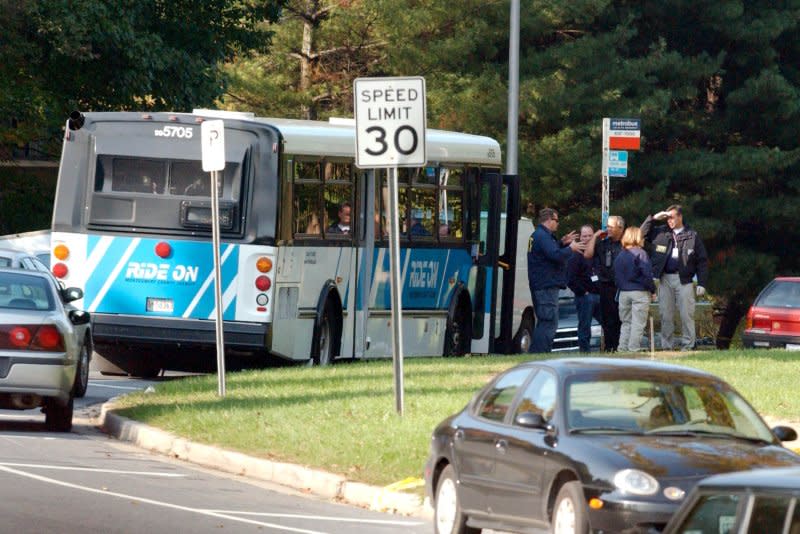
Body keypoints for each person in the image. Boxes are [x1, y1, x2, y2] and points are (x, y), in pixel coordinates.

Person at [641, 204, 709, 351]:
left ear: (680, 216)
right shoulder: (660, 232)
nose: (669, 220)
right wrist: (653, 219)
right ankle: (667, 347)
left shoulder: (692, 235)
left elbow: (702, 261)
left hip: (684, 280)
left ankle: (688, 345)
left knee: (686, 315)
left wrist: (702, 283)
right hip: (665, 279)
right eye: (667, 218)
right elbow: (639, 235)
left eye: (672, 217)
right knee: (665, 315)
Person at [527, 208, 585, 353]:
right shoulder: (543, 236)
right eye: (556, 220)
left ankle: (539, 353)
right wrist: (571, 248)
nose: (558, 224)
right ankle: (539, 354)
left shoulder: (539, 235)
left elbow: (549, 252)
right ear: (549, 220)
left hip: (541, 285)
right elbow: (555, 255)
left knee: (545, 321)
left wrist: (561, 243)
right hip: (546, 286)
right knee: (548, 322)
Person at [583, 215, 625, 351]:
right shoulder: (603, 243)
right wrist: (595, 236)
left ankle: (621, 348)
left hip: (622, 287)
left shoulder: (626, 243)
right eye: (607, 226)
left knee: (622, 319)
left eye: (611, 227)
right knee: (608, 320)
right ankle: (609, 348)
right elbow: (587, 254)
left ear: (620, 228)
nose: (608, 229)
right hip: (606, 288)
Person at [614, 226, 656, 352]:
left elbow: (615, 275)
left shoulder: (620, 255)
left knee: (626, 323)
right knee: (638, 323)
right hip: (639, 292)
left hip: (623, 293)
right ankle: (633, 349)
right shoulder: (641, 253)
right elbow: (647, 275)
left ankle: (622, 349)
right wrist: (652, 290)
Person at [567, 224, 601, 352]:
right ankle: (585, 353)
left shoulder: (597, 252)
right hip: (585, 297)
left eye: (590, 236)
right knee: (585, 327)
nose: (587, 238)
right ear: (580, 237)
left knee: (609, 323)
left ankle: (609, 350)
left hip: (598, 295)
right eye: (584, 236)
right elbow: (570, 278)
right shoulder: (575, 255)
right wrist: (583, 292)